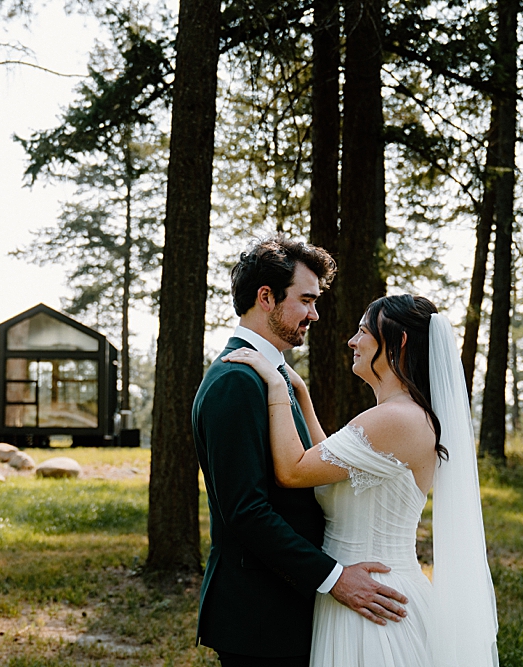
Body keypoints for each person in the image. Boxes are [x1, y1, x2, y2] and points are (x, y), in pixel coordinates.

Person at [224, 294, 500, 667]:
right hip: (359, 592)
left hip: (372, 602)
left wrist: (276, 387)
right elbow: (331, 468)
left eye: (363, 331)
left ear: (398, 341)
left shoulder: (395, 419)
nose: (353, 341)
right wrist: (301, 395)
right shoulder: (394, 416)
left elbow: (294, 471)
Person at [193, 236, 409, 667]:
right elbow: (247, 511)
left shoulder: (274, 375)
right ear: (266, 297)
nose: (315, 313)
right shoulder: (237, 380)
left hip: (285, 607)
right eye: (306, 300)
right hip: (260, 617)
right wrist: (336, 579)